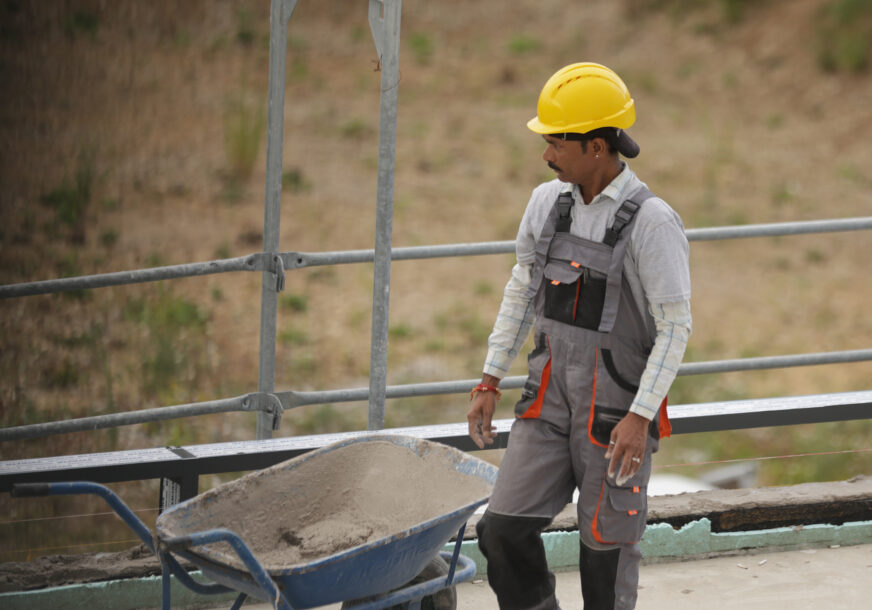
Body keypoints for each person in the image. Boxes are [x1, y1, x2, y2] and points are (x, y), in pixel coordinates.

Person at [466, 62, 692, 610]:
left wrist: (640, 417)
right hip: (547, 400)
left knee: (604, 553)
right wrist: (491, 377)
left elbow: (675, 328)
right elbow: (522, 291)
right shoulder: (546, 205)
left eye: (555, 142)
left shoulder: (653, 224)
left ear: (596, 147)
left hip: (614, 415)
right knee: (501, 530)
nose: (545, 154)